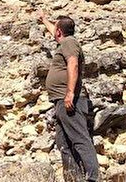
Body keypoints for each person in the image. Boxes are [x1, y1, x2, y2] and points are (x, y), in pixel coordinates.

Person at [38, 11, 99, 182]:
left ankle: (93, 178)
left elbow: (73, 64)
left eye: (55, 28)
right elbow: (54, 31)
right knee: (63, 144)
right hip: (61, 101)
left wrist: (70, 93)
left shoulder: (70, 43)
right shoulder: (65, 40)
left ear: (60, 32)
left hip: (71, 101)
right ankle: (74, 178)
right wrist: (44, 19)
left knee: (80, 139)